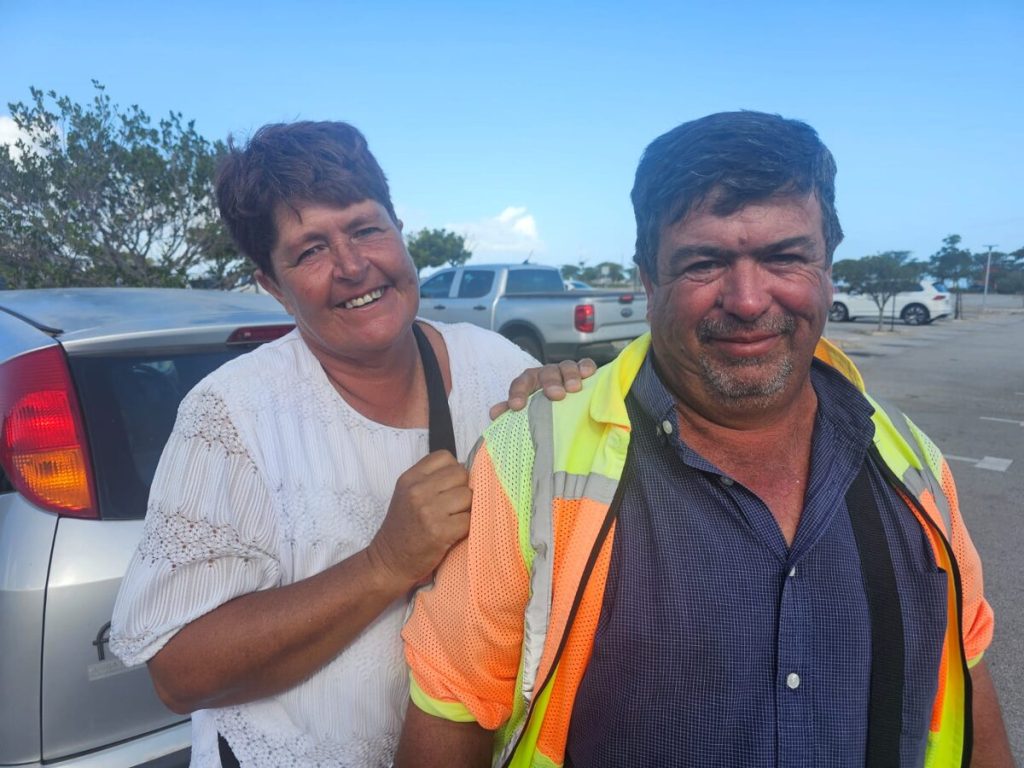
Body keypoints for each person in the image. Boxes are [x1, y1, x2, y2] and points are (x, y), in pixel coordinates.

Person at [398, 111, 1014, 767]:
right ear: (648, 279)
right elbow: (451, 718)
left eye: (784, 256)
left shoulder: (912, 460)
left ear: (827, 266)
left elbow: (967, 683)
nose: (748, 300)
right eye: (705, 261)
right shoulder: (530, 460)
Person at [109, 121, 593, 768]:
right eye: (310, 250)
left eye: (366, 229)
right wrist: (383, 564)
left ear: (399, 232)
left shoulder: (496, 365)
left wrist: (568, 406)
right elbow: (178, 677)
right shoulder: (230, 416)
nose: (353, 265)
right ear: (272, 285)